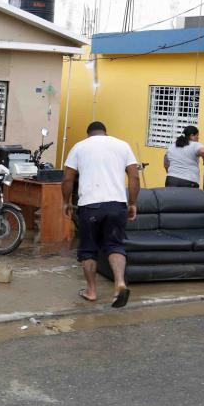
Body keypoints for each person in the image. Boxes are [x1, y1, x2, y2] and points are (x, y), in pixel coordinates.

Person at [62, 121, 140, 308]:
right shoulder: (122, 145)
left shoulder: (79, 147)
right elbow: (134, 176)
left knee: (89, 249)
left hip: (91, 205)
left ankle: (91, 291)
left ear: (89, 134)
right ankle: (120, 283)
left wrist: (66, 202)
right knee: (115, 245)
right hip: (117, 204)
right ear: (106, 133)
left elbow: (68, 178)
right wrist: (133, 203)